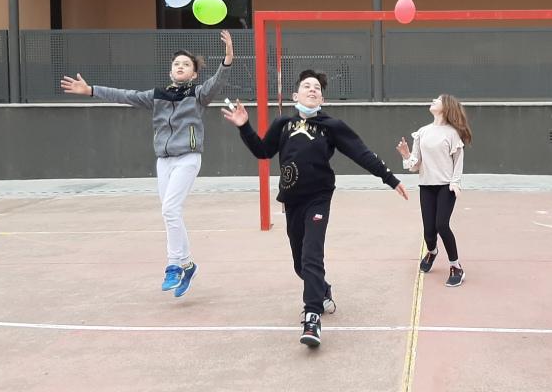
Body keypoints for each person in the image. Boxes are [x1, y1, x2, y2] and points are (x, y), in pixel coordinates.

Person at [222, 69, 408, 348]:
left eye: (317, 88)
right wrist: (244, 126)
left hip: (318, 198)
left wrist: (390, 179)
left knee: (312, 254)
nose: (312, 90)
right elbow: (262, 151)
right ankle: (322, 290)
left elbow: (361, 153)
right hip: (292, 200)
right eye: (307, 86)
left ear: (322, 98)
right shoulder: (283, 123)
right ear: (295, 95)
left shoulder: (331, 126)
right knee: (300, 263)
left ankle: (312, 317)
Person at [60, 30, 234, 298]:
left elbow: (218, 81)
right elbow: (125, 95)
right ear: (170, 70)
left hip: (188, 158)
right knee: (170, 213)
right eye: (176, 63)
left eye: (186, 64)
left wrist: (228, 57)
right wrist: (91, 90)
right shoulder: (157, 95)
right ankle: (188, 265)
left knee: (170, 209)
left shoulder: (199, 94)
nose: (180, 66)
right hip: (164, 161)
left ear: (194, 74)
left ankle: (173, 266)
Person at [396, 94, 472, 287]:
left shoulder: (452, 134)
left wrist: (455, 183)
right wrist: (406, 155)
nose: (433, 100)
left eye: (438, 99)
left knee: (442, 225)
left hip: (446, 186)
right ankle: (432, 252)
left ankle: (456, 267)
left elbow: (458, 160)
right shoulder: (422, 132)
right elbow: (415, 165)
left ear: (446, 107)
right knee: (429, 232)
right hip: (426, 186)